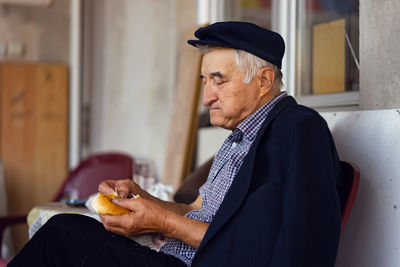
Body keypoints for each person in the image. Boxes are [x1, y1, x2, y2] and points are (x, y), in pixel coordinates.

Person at [8, 21, 345, 267]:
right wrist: (143, 201)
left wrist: (162, 223)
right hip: (172, 259)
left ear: (264, 81)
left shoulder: (300, 129)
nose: (206, 98)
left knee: (63, 234)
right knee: (71, 230)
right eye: (204, 81)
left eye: (219, 80)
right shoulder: (238, 140)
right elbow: (197, 213)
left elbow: (280, 245)